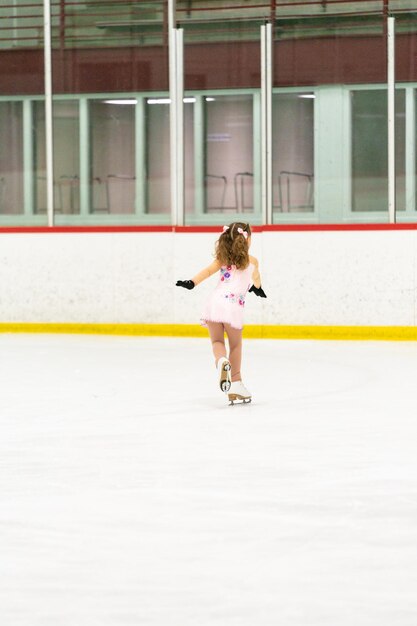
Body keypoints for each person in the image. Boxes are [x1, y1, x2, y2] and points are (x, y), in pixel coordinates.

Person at [176, 222, 266, 404]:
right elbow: (256, 278)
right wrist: (258, 288)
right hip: (233, 307)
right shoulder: (252, 261)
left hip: (214, 303)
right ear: (247, 239)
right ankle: (236, 383)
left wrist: (191, 282)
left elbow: (207, 271)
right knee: (236, 346)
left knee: (217, 342)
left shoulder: (222, 259)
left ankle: (221, 362)